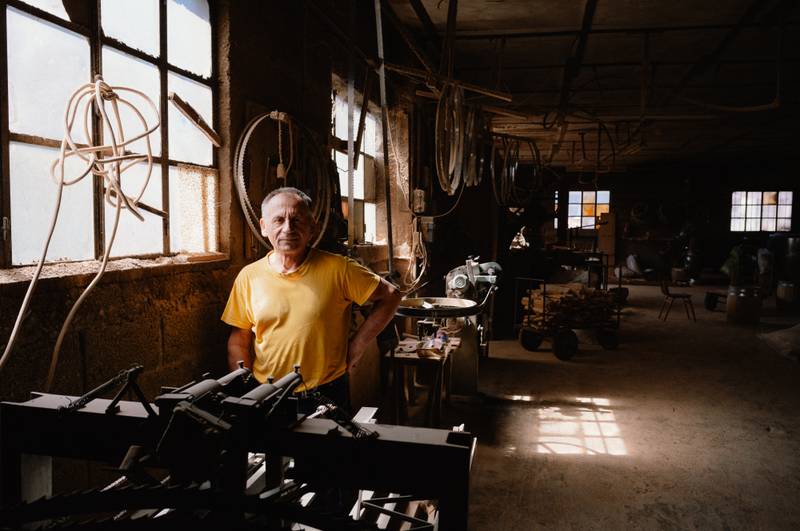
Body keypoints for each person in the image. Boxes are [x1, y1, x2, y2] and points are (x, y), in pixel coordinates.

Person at [221, 187, 401, 411]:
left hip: (325, 392)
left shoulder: (339, 269)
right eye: (278, 220)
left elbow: (391, 296)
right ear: (264, 227)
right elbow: (239, 341)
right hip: (267, 393)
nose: (288, 228)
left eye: (297, 220)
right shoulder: (249, 276)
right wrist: (247, 390)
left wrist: (358, 345)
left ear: (312, 227)